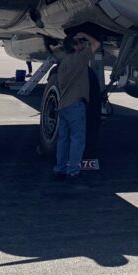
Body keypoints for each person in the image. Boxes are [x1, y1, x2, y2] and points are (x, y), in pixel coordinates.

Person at [51, 32, 101, 180]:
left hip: (63, 106)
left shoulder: (63, 63)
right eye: (79, 42)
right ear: (74, 46)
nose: (81, 44)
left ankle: (60, 169)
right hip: (75, 105)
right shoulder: (79, 59)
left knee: (63, 139)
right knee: (77, 139)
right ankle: (73, 171)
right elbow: (96, 44)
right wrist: (86, 34)